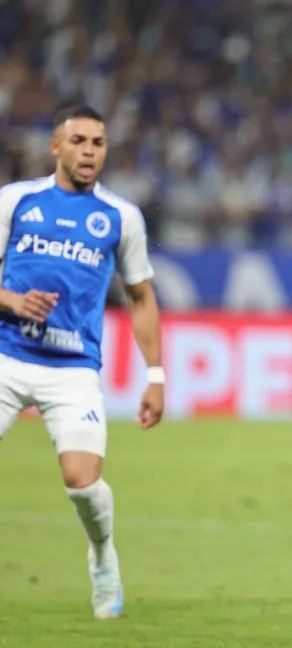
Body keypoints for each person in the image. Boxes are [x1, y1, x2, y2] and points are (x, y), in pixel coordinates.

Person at [0, 105, 165, 620]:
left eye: (97, 142)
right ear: (56, 147)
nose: (88, 150)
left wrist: (155, 375)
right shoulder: (15, 201)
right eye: (78, 141)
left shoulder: (120, 217)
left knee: (83, 481)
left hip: (72, 369)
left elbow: (141, 297)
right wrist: (11, 302)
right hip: (6, 356)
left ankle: (101, 555)